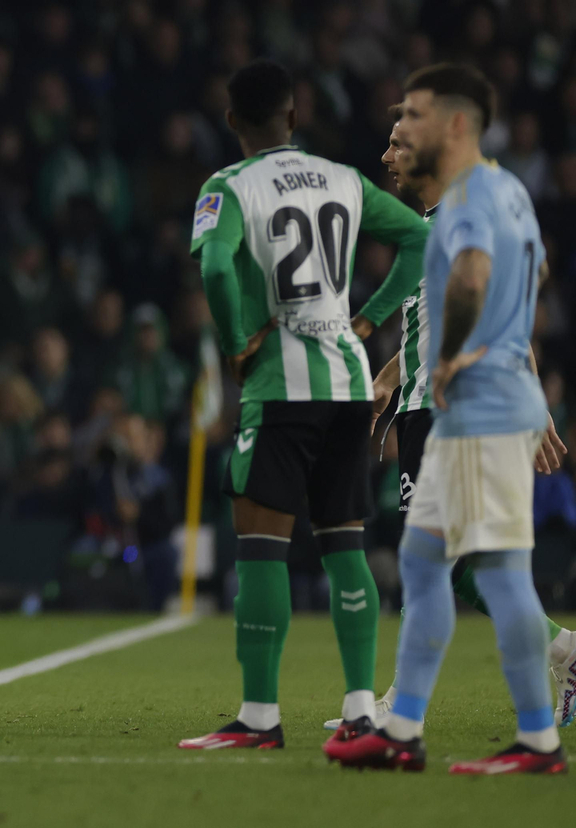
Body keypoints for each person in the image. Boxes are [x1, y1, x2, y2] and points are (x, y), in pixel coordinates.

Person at [177, 60, 431, 750]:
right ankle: (359, 709)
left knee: (261, 549)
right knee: (344, 545)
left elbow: (214, 265)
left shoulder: (228, 186)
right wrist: (370, 322)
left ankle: (259, 717)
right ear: (294, 116)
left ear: (233, 123)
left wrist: (235, 343)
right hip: (349, 383)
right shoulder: (343, 178)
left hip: (281, 386)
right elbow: (420, 238)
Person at [327, 64, 568, 774]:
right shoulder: (497, 197)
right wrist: (397, 373)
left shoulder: (468, 200)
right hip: (459, 405)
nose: (394, 143)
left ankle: (411, 725)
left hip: (462, 410)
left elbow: (480, 290)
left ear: (455, 126)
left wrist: (462, 366)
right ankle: (424, 725)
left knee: (455, 568)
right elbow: (517, 288)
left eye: (413, 122)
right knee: (453, 567)